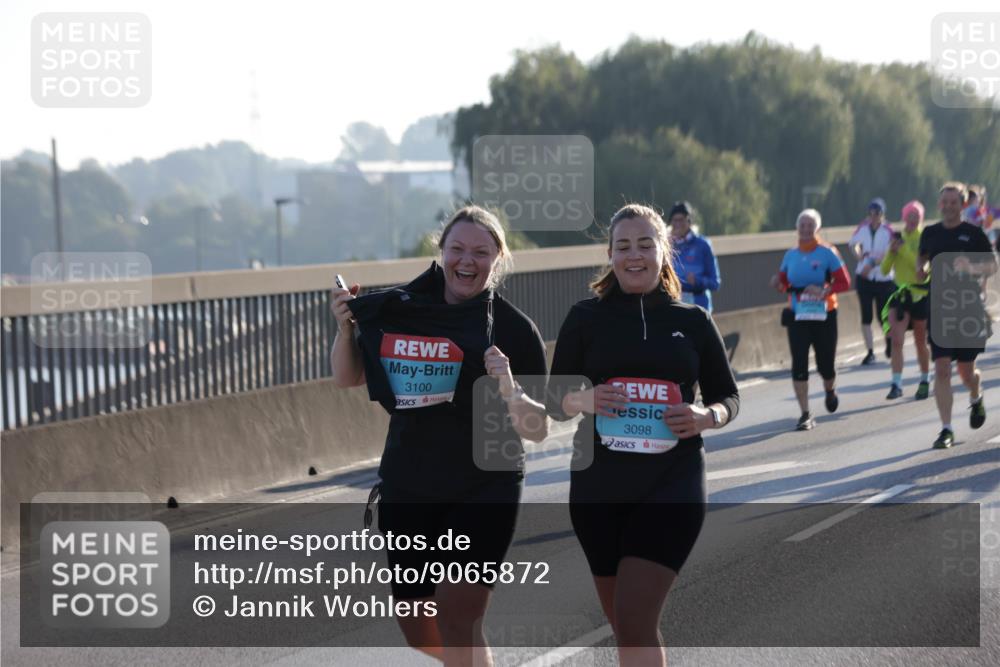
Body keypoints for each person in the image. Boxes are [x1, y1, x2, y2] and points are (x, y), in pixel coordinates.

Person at [329, 205, 549, 665]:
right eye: (458, 249)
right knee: (419, 629)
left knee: (458, 621)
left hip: (486, 485)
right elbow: (348, 378)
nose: (467, 261)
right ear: (442, 252)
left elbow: (539, 428)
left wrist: (509, 388)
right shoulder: (407, 308)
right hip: (410, 484)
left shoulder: (515, 329)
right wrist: (345, 328)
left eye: (481, 252)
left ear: (498, 258)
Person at [547, 203, 739, 666]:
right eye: (623, 246)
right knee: (626, 626)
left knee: (633, 621)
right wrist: (583, 400)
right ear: (610, 254)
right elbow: (555, 399)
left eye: (645, 244)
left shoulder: (692, 320)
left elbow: (728, 397)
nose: (635, 256)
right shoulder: (584, 317)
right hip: (598, 489)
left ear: (664, 250)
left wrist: (706, 416)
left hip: (671, 484)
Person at [917, 182, 997, 449]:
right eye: (945, 202)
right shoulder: (929, 233)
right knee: (941, 368)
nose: (949, 206)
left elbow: (992, 265)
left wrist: (971, 266)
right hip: (939, 308)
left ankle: (976, 396)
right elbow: (922, 260)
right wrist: (922, 270)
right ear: (940, 204)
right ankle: (946, 429)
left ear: (963, 205)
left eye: (954, 202)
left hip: (967, 307)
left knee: (965, 371)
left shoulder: (973, 234)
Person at [770, 209, 852, 430]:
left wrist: (825, 290)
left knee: (826, 363)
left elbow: (844, 282)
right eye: (802, 225)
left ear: (817, 228)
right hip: (798, 315)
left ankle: (830, 389)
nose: (806, 230)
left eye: (810, 226)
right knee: (799, 362)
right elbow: (784, 283)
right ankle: (805, 413)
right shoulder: (791, 255)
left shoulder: (828, 252)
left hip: (824, 314)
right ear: (797, 228)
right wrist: (777, 284)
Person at [880, 200, 931, 400]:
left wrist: (903, 251)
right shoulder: (897, 237)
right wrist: (891, 253)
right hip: (899, 294)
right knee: (896, 340)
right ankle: (896, 383)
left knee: (920, 341)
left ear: (920, 219)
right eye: (909, 216)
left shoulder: (924, 239)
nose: (911, 220)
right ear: (904, 217)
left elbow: (921, 273)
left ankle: (925, 379)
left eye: (916, 217)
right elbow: (884, 269)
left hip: (919, 294)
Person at [849, 197, 896, 364]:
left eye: (877, 213)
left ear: (882, 214)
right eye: (871, 212)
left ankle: (889, 341)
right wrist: (859, 256)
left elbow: (890, 253)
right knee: (866, 315)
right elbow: (853, 243)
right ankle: (870, 351)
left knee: (883, 315)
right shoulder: (863, 227)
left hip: (883, 277)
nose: (873, 216)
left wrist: (871, 262)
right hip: (865, 277)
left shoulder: (888, 230)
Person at [667, 201, 721, 312]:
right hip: (674, 308)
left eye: (681, 220)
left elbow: (715, 283)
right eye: (674, 220)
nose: (677, 224)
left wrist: (697, 281)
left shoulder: (703, 245)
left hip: (699, 309)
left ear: (689, 221)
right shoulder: (666, 246)